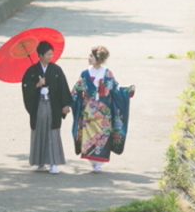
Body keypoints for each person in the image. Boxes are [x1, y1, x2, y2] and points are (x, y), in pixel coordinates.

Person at [71, 46, 135, 172]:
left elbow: (115, 89)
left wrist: (127, 91)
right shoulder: (84, 73)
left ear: (98, 58)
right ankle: (92, 161)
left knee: (102, 137)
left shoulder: (107, 72)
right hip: (88, 112)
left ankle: (98, 163)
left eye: (91, 56)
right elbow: (76, 89)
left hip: (104, 113)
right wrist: (66, 102)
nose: (88, 58)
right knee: (89, 137)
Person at [21, 41, 72, 174]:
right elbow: (26, 88)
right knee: (39, 132)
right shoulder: (32, 71)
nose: (50, 56)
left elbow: (63, 88)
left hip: (52, 105)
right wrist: (37, 85)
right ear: (40, 55)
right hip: (38, 106)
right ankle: (40, 162)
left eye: (51, 54)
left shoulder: (56, 70)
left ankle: (53, 163)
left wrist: (65, 104)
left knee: (52, 133)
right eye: (48, 54)